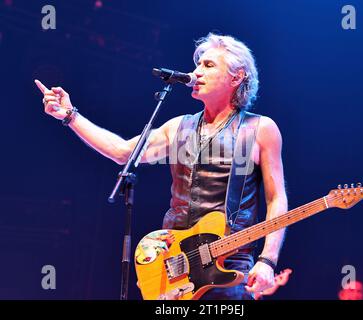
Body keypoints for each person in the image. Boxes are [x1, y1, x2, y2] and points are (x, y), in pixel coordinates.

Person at [35, 33, 288, 300]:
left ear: (236, 77)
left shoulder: (260, 129)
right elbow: (122, 152)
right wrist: (71, 116)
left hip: (229, 264)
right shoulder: (179, 126)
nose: (196, 72)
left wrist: (267, 260)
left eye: (208, 65)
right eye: (198, 64)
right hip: (175, 263)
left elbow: (276, 198)